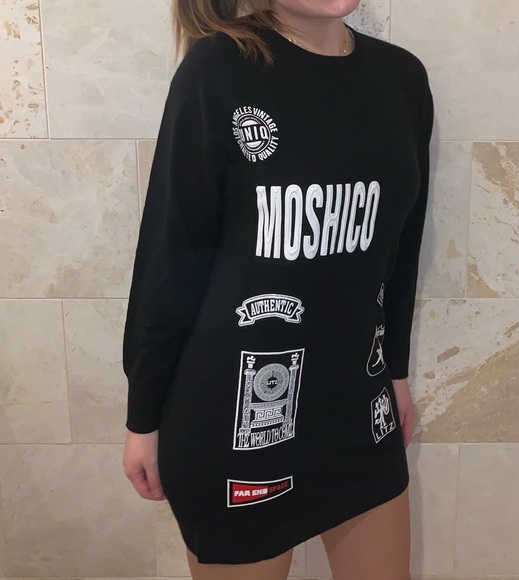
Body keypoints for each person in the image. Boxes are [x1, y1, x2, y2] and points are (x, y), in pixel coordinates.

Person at [122, 0, 434, 578]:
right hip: (234, 419)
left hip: (356, 405)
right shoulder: (217, 70)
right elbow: (171, 257)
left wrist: (394, 372)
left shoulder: (402, 79)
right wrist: (144, 417)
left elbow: (400, 248)